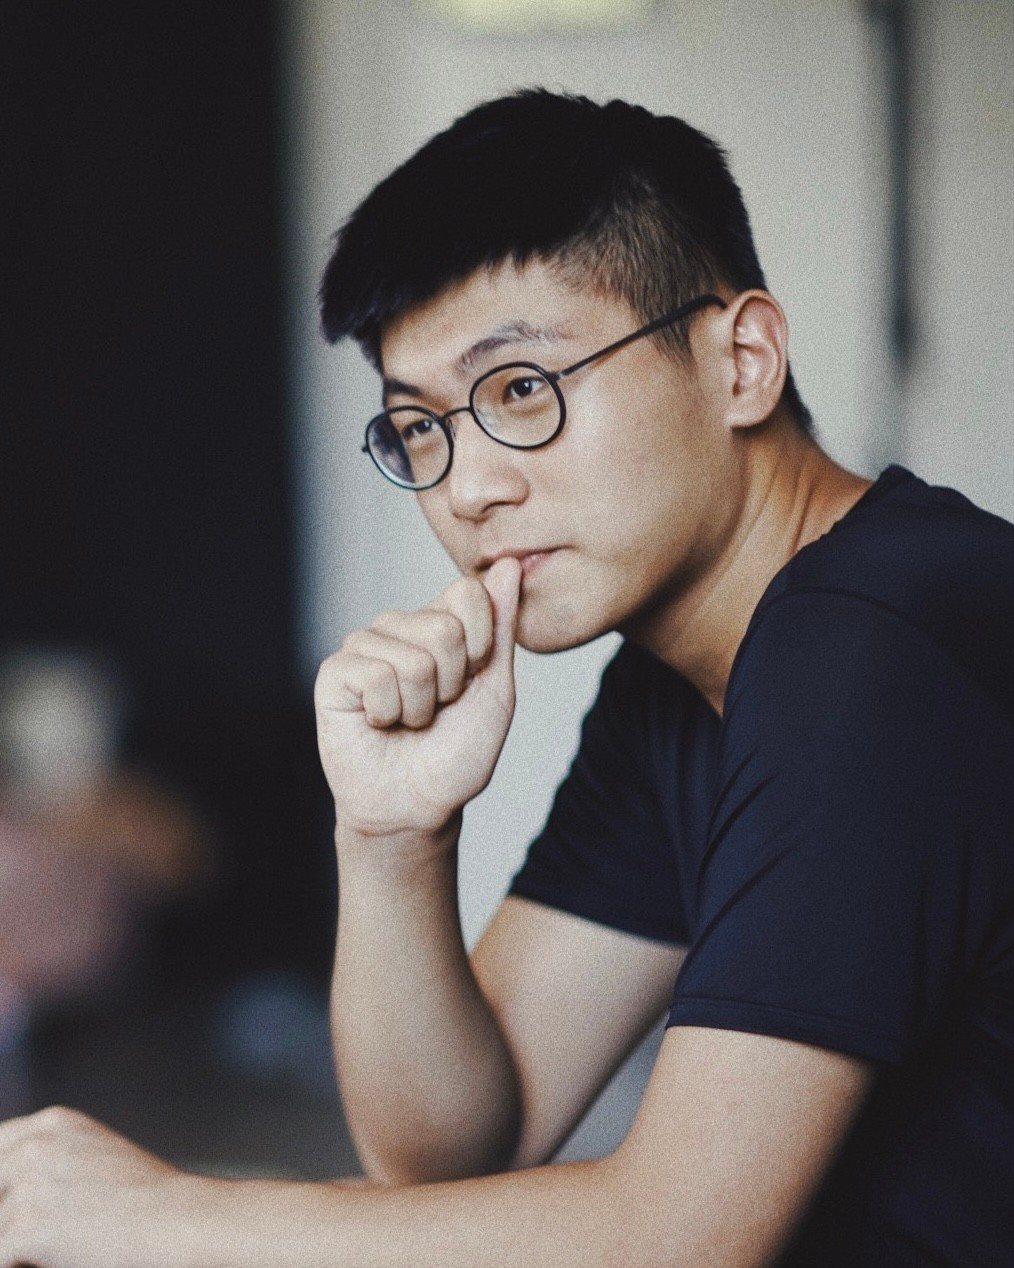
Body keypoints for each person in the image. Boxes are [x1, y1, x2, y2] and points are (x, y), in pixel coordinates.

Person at [0, 89, 1011, 1268]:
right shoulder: (680, 681)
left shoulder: (876, 635)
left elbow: (681, 1233)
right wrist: (392, 836)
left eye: (523, 388)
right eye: (421, 428)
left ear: (740, 361)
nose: (467, 488)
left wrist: (164, 1215)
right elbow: (449, 1154)